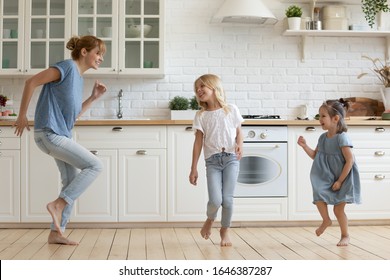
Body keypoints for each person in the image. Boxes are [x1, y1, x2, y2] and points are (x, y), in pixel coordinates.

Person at [13, 35, 107, 245]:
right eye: (98, 53)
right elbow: (31, 82)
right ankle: (58, 204)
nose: (101, 58)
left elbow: (72, 117)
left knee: (71, 179)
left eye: (102, 55)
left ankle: (57, 232)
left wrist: (93, 97)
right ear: (84, 52)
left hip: (57, 134)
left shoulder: (78, 79)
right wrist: (22, 115)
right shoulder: (66, 67)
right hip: (49, 133)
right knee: (95, 165)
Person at [189, 74, 243, 247]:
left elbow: (239, 131)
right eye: (197, 88)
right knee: (215, 200)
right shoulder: (201, 115)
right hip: (212, 161)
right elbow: (198, 142)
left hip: (230, 159)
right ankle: (210, 219)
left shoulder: (231, 109)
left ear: (214, 88)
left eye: (202, 86)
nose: (198, 90)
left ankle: (225, 230)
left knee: (228, 199)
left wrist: (240, 144)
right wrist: (193, 168)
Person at [297, 99, 361, 246]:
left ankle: (345, 235)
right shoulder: (322, 138)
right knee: (319, 194)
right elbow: (315, 155)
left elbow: (349, 161)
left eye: (323, 115)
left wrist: (339, 181)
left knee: (338, 209)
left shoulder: (342, 137)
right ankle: (326, 220)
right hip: (327, 176)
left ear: (335, 118)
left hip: (343, 176)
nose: (319, 119)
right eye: (319, 115)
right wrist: (304, 146)